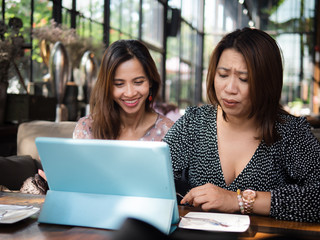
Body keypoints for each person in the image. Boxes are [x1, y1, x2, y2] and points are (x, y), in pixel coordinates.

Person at [163, 27, 320, 222]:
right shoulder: (194, 122)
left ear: (266, 82)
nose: (230, 89)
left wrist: (237, 201)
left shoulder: (289, 131)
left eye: (244, 79)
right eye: (222, 75)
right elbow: (156, 176)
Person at [30, 39, 175, 191]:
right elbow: (80, 186)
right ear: (107, 86)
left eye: (138, 82)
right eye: (119, 84)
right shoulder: (87, 128)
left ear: (151, 82)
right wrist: (61, 182)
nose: (130, 93)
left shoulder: (168, 131)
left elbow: (171, 190)